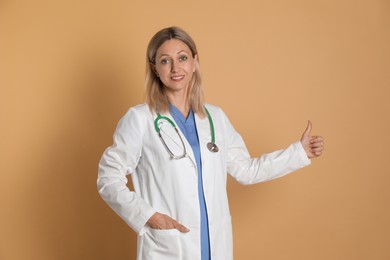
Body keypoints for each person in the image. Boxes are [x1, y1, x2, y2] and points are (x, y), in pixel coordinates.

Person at [97, 26, 324, 260]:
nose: (176, 68)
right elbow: (108, 177)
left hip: (215, 246)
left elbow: (246, 170)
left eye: (182, 58)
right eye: (165, 61)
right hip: (169, 247)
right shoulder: (140, 119)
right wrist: (149, 217)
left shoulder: (215, 118)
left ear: (195, 62)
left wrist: (299, 152)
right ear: (155, 68)